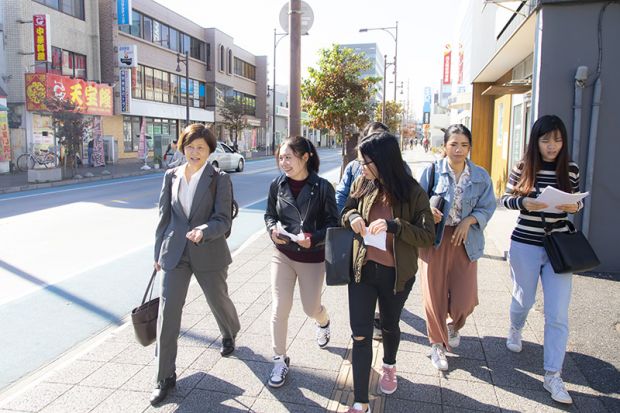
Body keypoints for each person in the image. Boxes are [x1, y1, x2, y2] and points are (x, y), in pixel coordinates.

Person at [341, 132, 435, 413]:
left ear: (382, 161)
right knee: (360, 335)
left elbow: (428, 235)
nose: (361, 167)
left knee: (390, 325)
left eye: (365, 161)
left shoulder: (413, 191)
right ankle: (360, 402)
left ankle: (389, 365)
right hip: (362, 269)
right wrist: (353, 217)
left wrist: (395, 226)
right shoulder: (362, 183)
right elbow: (345, 211)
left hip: (397, 275)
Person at [151, 124, 241, 406]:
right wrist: (157, 254)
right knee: (168, 313)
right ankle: (164, 376)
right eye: (190, 146)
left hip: (208, 249)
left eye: (200, 147)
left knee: (218, 300)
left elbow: (223, 220)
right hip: (175, 252)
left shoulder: (220, 179)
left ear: (210, 150)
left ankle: (229, 332)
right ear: (182, 147)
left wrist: (204, 231)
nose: (194, 152)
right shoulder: (171, 176)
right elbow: (164, 217)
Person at [501, 115, 582, 405]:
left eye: (557, 140)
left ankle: (553, 376)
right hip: (525, 244)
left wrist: (575, 204)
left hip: (559, 247)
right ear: (536, 141)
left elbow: (576, 199)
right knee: (524, 298)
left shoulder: (570, 169)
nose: (552, 146)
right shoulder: (522, 167)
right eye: (546, 140)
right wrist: (523, 202)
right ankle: (516, 326)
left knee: (557, 313)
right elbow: (504, 200)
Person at [418, 124, 496, 372]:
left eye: (464, 145)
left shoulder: (481, 176)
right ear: (445, 147)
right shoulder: (432, 171)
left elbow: (487, 207)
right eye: (454, 144)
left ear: (470, 147)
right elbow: (414, 202)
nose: (459, 150)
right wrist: (426, 211)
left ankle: (452, 325)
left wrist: (469, 221)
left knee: (465, 299)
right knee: (434, 294)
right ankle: (437, 344)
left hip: (466, 240)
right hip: (435, 239)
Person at [264, 136, 339, 388]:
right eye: (281, 157)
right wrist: (272, 229)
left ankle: (323, 321)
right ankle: (279, 360)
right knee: (279, 308)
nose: (283, 162)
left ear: (305, 157)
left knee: (311, 308)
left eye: (289, 157)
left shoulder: (323, 187)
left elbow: (333, 224)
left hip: (311, 257)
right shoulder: (278, 184)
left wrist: (314, 238)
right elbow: (269, 215)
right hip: (283, 254)